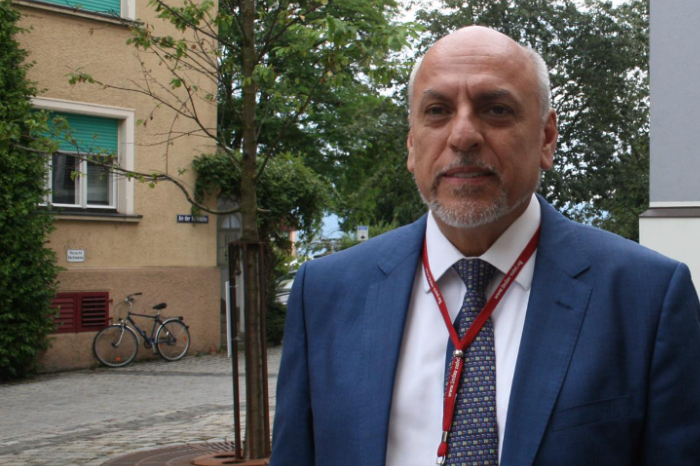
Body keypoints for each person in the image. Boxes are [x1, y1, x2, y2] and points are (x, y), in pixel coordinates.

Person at [269, 26, 700, 466]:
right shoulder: (325, 294)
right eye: (437, 111)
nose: (463, 136)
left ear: (546, 138)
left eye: (496, 110)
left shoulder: (648, 300)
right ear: (412, 144)